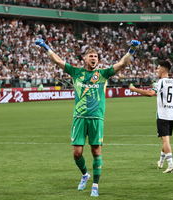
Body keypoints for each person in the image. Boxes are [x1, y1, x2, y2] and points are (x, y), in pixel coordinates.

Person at [35, 38, 141, 197]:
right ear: (84, 58)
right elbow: (57, 61)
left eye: (96, 56)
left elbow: (122, 64)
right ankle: (85, 174)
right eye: (91, 56)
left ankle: (95, 185)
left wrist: (131, 50)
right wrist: (45, 47)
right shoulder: (76, 72)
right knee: (77, 153)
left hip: (96, 118)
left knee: (96, 151)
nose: (94, 58)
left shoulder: (102, 74)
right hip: (79, 117)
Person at [129, 60, 173, 173]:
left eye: (158, 68)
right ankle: (161, 161)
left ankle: (171, 165)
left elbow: (150, 93)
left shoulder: (160, 82)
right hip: (172, 115)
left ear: (163, 69)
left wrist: (134, 89)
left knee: (165, 140)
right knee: (165, 139)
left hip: (163, 115)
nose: (156, 70)